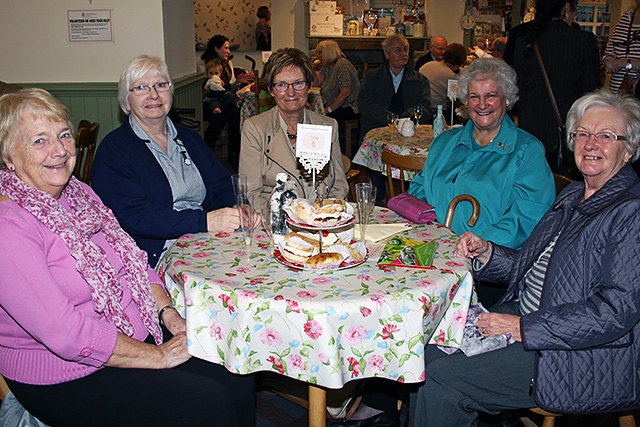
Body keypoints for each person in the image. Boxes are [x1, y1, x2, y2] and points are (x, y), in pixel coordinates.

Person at [0, 88, 256, 426]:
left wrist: (167, 313)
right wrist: (158, 356)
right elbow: (65, 334)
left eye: (64, 135)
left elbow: (134, 261)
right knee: (208, 402)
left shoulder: (79, 194)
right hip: (67, 373)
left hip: (133, 332)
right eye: (39, 141)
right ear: (9, 156)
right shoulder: (10, 225)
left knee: (235, 366)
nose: (60, 150)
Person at [410, 88, 640, 427]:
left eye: (606, 135)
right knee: (425, 349)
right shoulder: (576, 193)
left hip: (575, 353)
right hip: (529, 318)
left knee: (438, 377)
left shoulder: (630, 211)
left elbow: (615, 312)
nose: (591, 144)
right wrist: (487, 252)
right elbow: (531, 268)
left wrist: (524, 328)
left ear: (629, 151)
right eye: (582, 134)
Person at [92, 55, 255, 269]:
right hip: (154, 255)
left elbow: (220, 182)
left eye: (161, 85)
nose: (153, 95)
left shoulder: (189, 139)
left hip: (206, 240)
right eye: (141, 87)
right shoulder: (113, 151)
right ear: (126, 101)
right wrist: (205, 221)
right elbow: (137, 216)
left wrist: (237, 205)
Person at [409, 58, 555, 251]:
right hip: (434, 249)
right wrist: (430, 230)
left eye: (491, 95)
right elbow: (419, 189)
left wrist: (479, 243)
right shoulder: (444, 143)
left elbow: (531, 215)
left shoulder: (527, 151)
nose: (482, 104)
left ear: (507, 99)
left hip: (489, 260)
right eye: (474, 96)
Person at [239, 48, 349, 205]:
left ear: (309, 86)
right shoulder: (255, 129)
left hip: (320, 220)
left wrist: (326, 215)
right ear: (271, 90)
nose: (291, 93)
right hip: (274, 220)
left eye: (298, 83)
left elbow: (338, 186)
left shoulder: (327, 126)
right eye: (282, 85)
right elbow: (251, 193)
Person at [510, 0, 601, 177]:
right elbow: (592, 95)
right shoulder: (583, 41)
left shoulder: (524, 42)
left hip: (530, 132)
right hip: (567, 134)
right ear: (567, 7)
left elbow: (517, 95)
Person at [359, 34, 432, 201]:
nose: (403, 54)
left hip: (410, 130)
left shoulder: (420, 80)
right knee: (376, 171)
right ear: (387, 54)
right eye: (398, 50)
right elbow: (365, 104)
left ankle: (410, 201)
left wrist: (406, 119)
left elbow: (426, 107)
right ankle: (378, 199)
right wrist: (391, 118)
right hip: (377, 126)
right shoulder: (372, 77)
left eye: (406, 50)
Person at [200, 35, 255, 168]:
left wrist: (238, 81)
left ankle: (234, 153)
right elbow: (201, 94)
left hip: (225, 99)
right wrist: (209, 88)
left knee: (236, 112)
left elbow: (231, 89)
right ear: (216, 49)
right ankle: (204, 151)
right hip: (209, 102)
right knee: (221, 117)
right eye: (226, 48)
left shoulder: (228, 64)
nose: (228, 51)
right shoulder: (204, 65)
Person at [312, 39, 361, 153]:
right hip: (338, 106)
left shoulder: (342, 66)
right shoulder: (328, 67)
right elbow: (316, 82)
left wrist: (329, 109)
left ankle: (333, 152)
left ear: (328, 53)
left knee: (324, 119)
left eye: (320, 53)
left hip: (350, 107)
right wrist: (312, 69)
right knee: (316, 115)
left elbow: (345, 92)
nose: (318, 56)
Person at [603, 0, 640, 94]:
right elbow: (609, 52)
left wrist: (625, 63)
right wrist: (609, 61)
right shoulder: (624, 19)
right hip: (617, 94)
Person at [419, 43, 467, 111]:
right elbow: (454, 101)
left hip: (420, 106)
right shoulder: (450, 76)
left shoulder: (426, 65)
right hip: (436, 110)